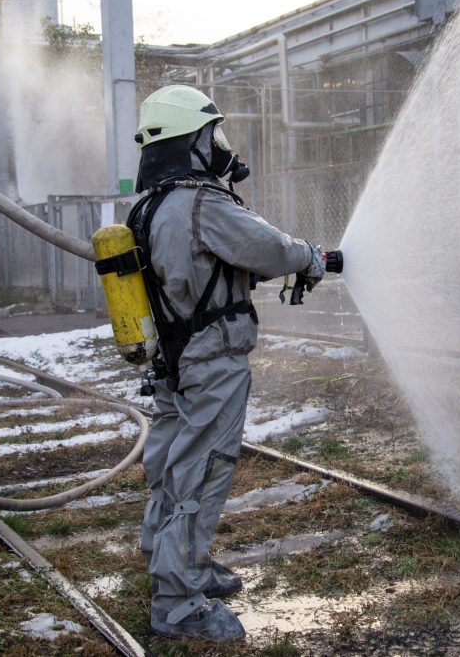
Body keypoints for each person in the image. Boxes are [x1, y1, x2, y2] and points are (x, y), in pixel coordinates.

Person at [131, 85, 326, 642]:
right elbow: (271, 249)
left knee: (172, 460)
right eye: (209, 134)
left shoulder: (151, 205)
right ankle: (177, 600)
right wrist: (308, 256)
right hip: (211, 356)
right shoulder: (202, 202)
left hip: (174, 357)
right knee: (205, 467)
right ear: (188, 142)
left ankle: (166, 555)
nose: (217, 145)